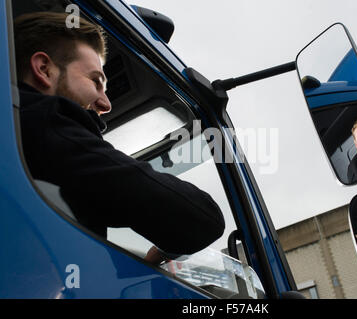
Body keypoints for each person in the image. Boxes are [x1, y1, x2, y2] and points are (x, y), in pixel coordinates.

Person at [14, 12, 225, 264]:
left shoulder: (22, 130)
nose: (105, 103)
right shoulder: (46, 124)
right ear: (44, 69)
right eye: (95, 81)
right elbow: (203, 219)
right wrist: (159, 254)